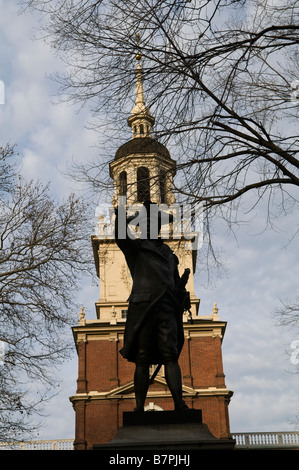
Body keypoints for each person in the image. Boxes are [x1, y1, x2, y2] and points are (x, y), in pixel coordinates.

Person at [114, 200, 190, 412]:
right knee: (142, 359)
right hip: (144, 308)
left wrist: (182, 294)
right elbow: (120, 236)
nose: (151, 227)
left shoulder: (170, 255)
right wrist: (125, 217)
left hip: (167, 307)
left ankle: (179, 403)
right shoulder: (135, 248)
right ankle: (139, 407)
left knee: (171, 356)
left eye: (155, 223)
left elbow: (175, 285)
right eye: (146, 223)